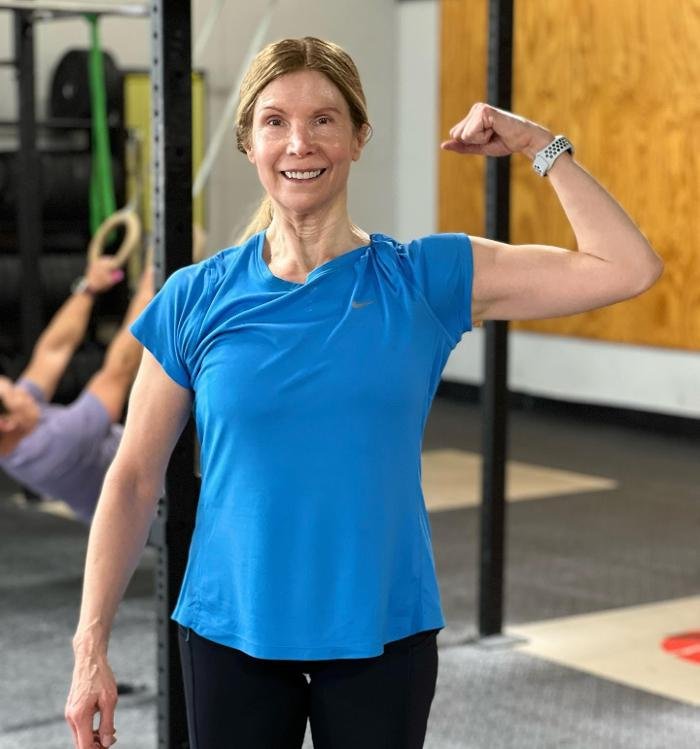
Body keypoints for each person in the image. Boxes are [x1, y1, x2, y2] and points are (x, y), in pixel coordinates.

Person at [65, 36, 662, 749]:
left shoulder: (423, 279)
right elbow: (133, 478)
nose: (299, 143)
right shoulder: (196, 296)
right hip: (231, 628)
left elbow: (626, 268)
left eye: (323, 119)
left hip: (382, 629)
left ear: (357, 137)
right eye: (275, 121)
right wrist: (89, 645)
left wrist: (539, 144)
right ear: (249, 143)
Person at [0, 258, 153, 523]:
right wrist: (153, 284)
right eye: (13, 393)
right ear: (6, 422)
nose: (21, 389)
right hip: (155, 516)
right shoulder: (54, 446)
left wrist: (88, 288)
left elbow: (53, 350)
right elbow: (120, 369)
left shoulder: (16, 429)